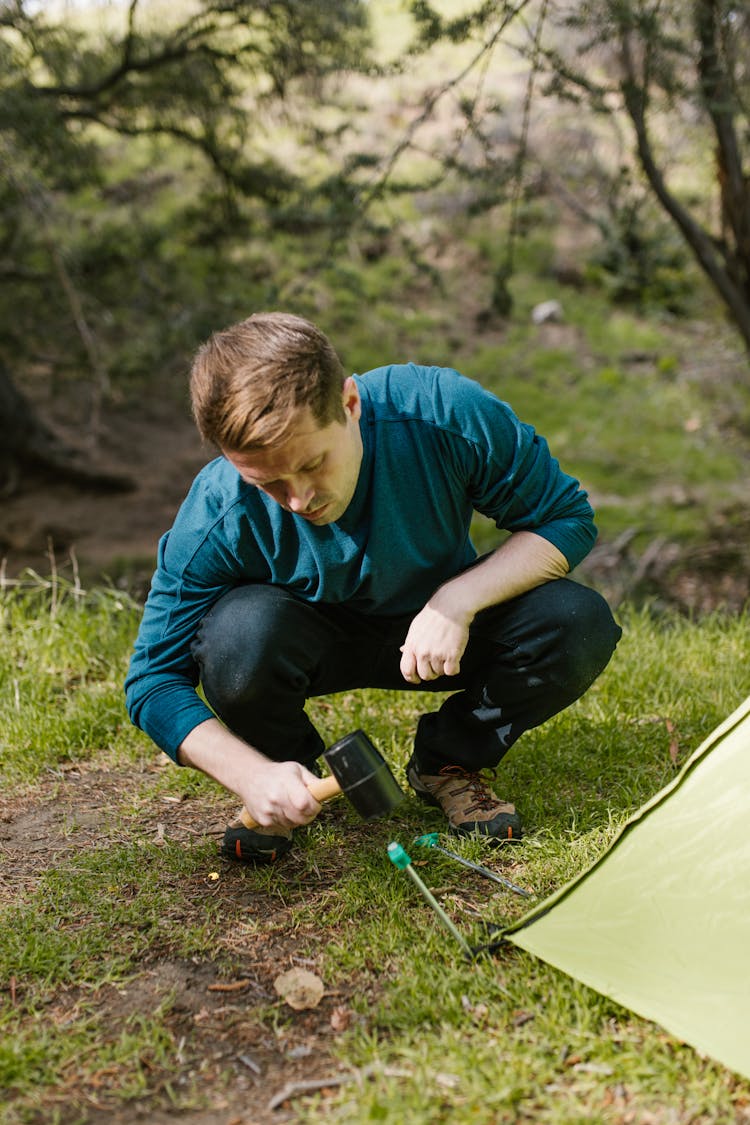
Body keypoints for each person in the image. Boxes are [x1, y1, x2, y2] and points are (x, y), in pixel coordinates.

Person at [125, 311, 621, 863]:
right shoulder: (217, 510)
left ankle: (448, 761)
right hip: (308, 638)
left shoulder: (438, 410)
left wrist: (459, 600)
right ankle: (294, 778)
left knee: (578, 623)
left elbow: (565, 518)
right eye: (266, 482)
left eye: (313, 463)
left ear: (350, 404)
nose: (298, 500)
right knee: (236, 640)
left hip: (439, 636)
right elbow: (152, 682)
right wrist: (251, 773)